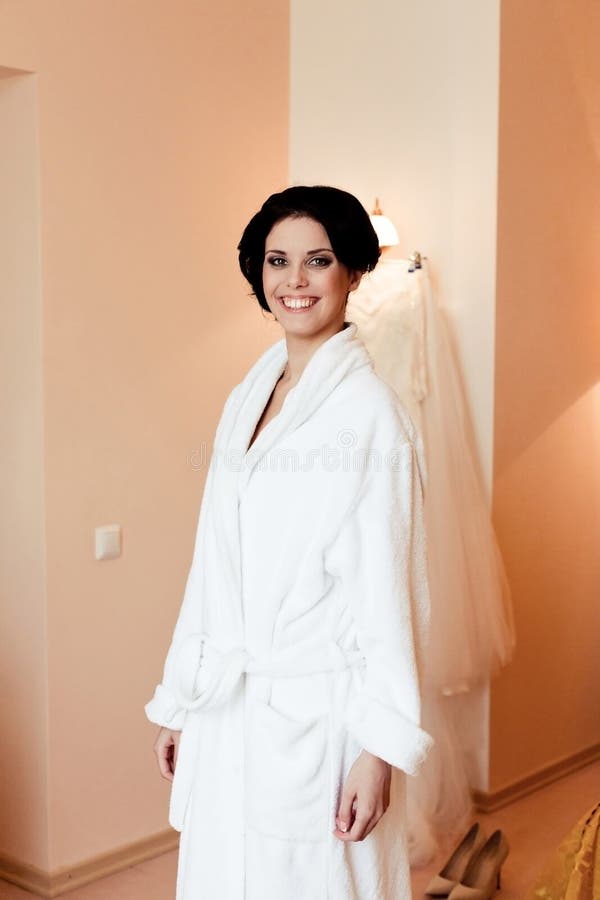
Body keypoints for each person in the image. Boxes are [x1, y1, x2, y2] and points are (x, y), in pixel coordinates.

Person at [145, 185, 433, 900]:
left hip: (318, 723)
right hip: (228, 708)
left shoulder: (372, 420)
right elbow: (212, 569)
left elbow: (389, 599)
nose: (294, 282)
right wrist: (185, 698)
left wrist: (378, 752)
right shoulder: (249, 396)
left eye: (318, 260)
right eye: (278, 261)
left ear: (354, 272)